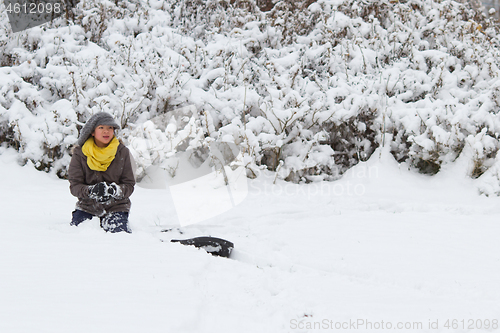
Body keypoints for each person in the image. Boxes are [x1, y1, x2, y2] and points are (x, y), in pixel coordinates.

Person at [68, 112, 135, 233]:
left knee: (119, 235)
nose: (106, 131)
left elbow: (129, 185)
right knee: (78, 234)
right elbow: (75, 186)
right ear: (92, 132)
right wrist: (91, 191)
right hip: (87, 207)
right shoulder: (80, 154)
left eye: (110, 128)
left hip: (116, 207)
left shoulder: (123, 152)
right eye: (101, 128)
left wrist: (114, 190)